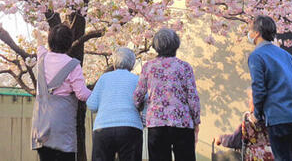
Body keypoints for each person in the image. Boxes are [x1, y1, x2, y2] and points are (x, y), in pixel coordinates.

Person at [133, 28, 201, 161]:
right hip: (182, 122)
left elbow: (137, 96)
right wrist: (196, 120)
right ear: (176, 44)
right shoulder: (185, 67)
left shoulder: (148, 67)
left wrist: (140, 107)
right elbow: (193, 97)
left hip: (156, 123)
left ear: (156, 46)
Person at [247, 15, 292, 161]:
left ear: (256, 33)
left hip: (278, 117)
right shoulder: (287, 55)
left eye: (249, 30)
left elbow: (259, 88)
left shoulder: (257, 55)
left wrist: (256, 115)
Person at [31, 24, 92, 161]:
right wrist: (100, 95)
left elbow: (40, 47)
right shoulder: (73, 64)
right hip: (62, 129)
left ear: (50, 41)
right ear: (69, 43)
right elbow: (81, 94)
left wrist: (39, 36)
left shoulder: (42, 59)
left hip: (41, 126)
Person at [86, 47, 143, 161]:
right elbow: (144, 102)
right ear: (132, 64)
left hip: (103, 127)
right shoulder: (137, 79)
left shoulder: (104, 78)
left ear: (114, 63)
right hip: (130, 126)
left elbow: (92, 105)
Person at [215, 89, 274, 160]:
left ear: (255, 102)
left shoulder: (249, 121)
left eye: (249, 98)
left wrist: (220, 138)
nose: (248, 101)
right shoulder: (277, 118)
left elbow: (234, 141)